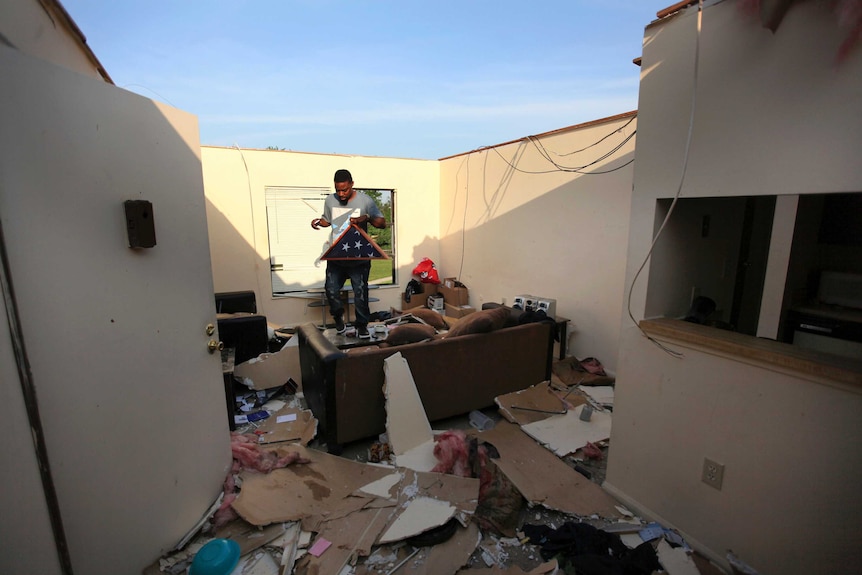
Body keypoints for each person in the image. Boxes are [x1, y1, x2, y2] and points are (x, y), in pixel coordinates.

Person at [311, 169, 386, 338]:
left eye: (344, 190)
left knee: (360, 293)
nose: (341, 193)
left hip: (358, 259)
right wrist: (318, 222)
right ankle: (338, 318)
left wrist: (366, 218)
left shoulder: (365, 200)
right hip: (337, 257)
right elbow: (327, 220)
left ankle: (362, 326)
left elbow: (382, 223)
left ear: (352, 184)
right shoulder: (330, 200)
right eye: (338, 190)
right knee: (330, 290)